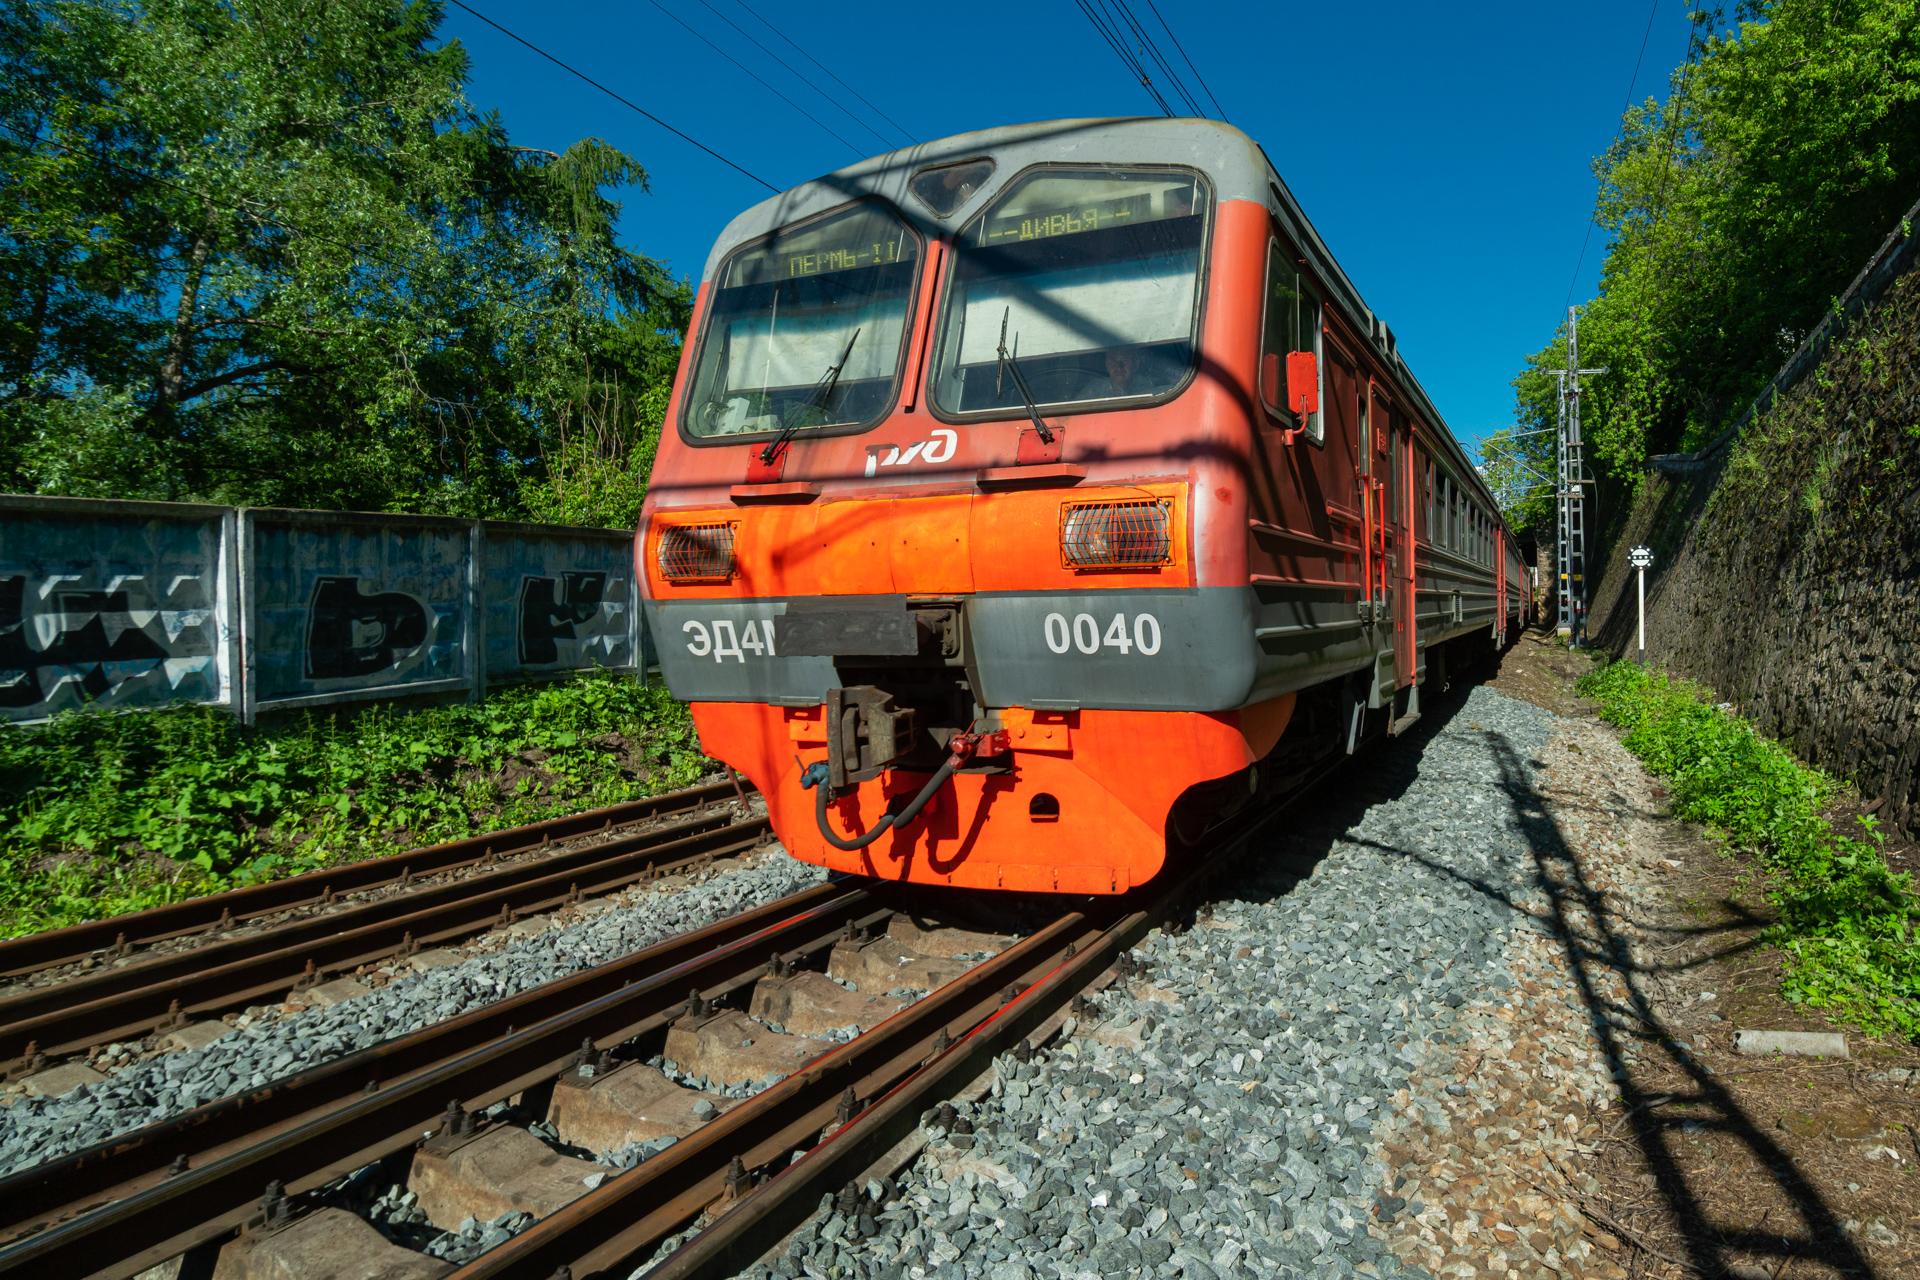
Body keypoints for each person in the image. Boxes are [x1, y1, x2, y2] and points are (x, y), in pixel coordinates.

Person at [1078, 345, 1145, 400]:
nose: (1119, 367)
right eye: (1113, 361)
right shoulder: (1093, 390)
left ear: (1136, 363)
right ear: (1106, 364)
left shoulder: (1150, 386)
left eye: (1124, 360)